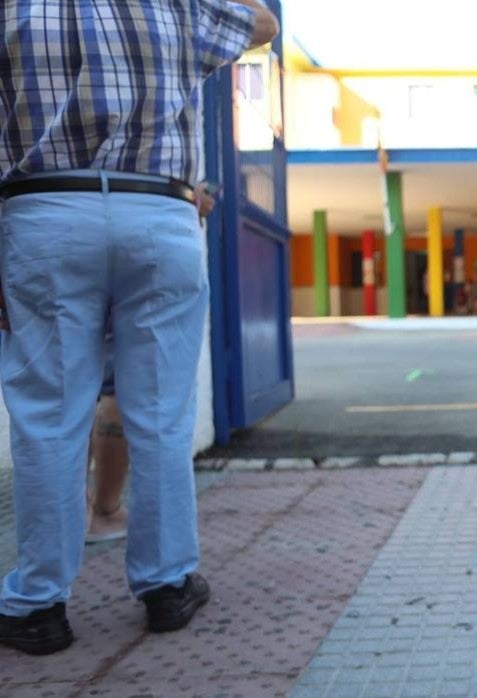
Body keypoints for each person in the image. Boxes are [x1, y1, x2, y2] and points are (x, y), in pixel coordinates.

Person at [0, 0, 279, 656]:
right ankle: (167, 584)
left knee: (48, 414)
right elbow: (264, 22)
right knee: (160, 410)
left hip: (43, 210)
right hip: (158, 213)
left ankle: (39, 603)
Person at [86, 184, 218, 545]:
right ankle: (106, 510)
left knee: (67, 390)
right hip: (148, 221)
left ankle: (69, 525)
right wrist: (192, 196)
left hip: (55, 220)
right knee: (127, 387)